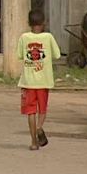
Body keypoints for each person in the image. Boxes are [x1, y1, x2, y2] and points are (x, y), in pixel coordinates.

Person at [16, 10, 61, 150]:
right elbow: (57, 55)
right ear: (44, 23)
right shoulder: (48, 37)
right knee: (42, 110)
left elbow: (20, 55)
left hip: (28, 82)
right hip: (44, 81)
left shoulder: (24, 37)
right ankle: (39, 127)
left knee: (31, 112)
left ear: (29, 23)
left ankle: (33, 142)